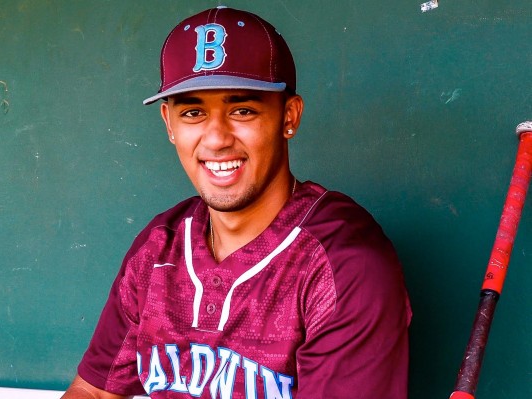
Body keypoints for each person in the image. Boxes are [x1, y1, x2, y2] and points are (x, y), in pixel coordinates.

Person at [62, 6, 411, 399]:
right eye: (193, 112)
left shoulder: (343, 263)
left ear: (288, 117)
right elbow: (92, 392)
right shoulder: (159, 247)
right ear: (169, 124)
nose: (216, 138)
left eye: (242, 110)